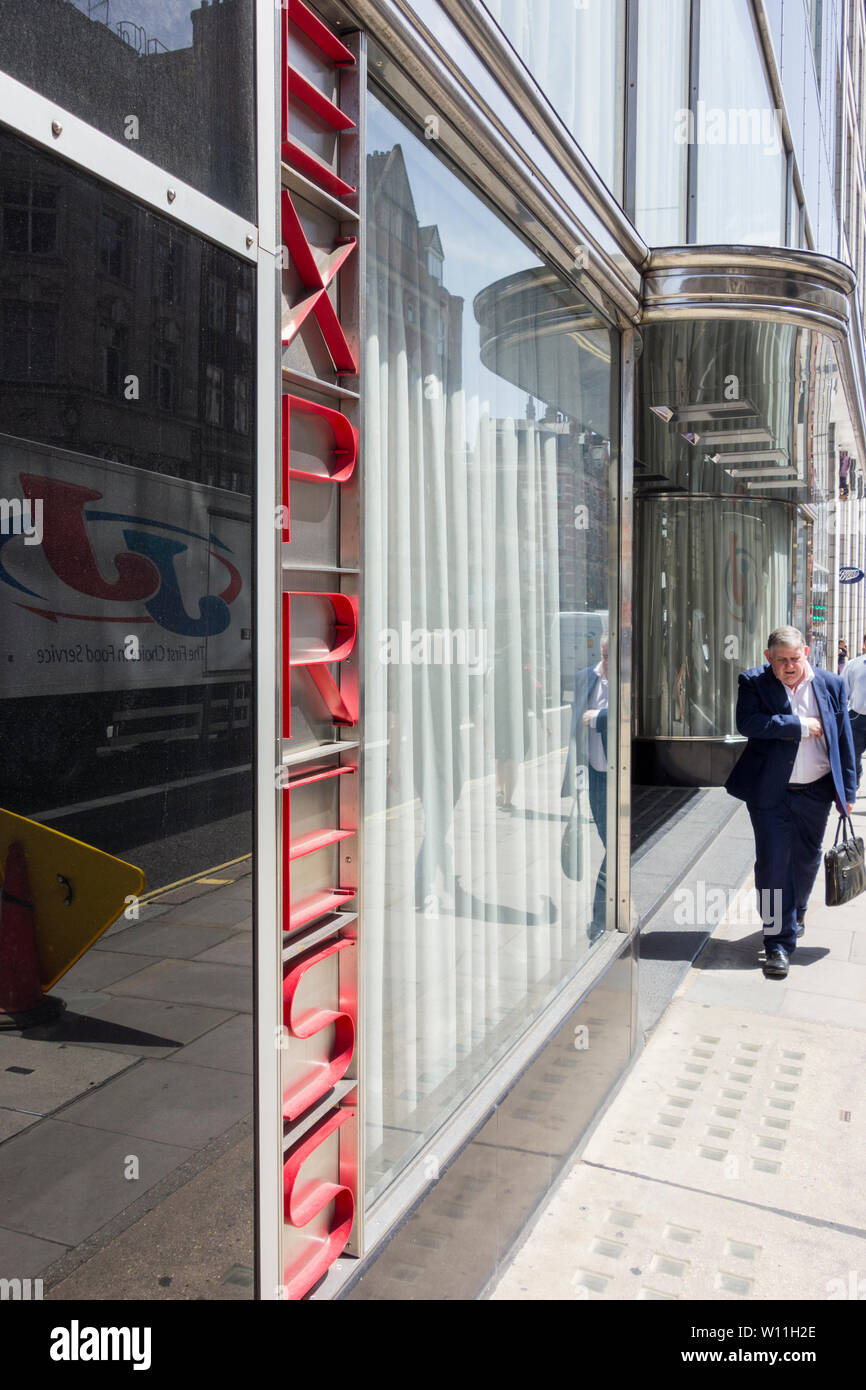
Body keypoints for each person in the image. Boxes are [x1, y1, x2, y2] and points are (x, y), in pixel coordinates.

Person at [725, 626, 856, 979]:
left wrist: (848, 793)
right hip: (770, 794)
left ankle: (795, 910)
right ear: (769, 658)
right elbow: (748, 723)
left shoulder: (830, 684)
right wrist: (798, 725)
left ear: (807, 653)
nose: (788, 666)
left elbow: (843, 740)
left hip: (816, 791)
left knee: (806, 858)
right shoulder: (753, 682)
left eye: (794, 658)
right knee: (772, 865)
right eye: (780, 660)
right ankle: (777, 944)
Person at [561, 634, 609, 943]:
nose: (607, 658)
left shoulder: (627, 681)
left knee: (615, 850)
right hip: (593, 775)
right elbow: (574, 727)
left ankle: (600, 918)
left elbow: (631, 717)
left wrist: (599, 718)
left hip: (620, 775)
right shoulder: (585, 677)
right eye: (605, 652)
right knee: (612, 845)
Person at [843, 645, 866, 789]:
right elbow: (843, 691)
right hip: (857, 717)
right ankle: (854, 783)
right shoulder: (853, 665)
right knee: (852, 755)